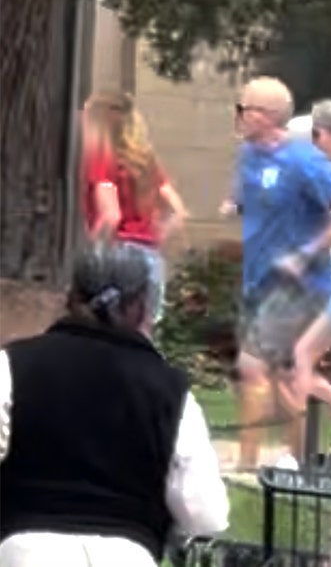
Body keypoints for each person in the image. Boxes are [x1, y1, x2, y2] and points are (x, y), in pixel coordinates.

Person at [0, 242, 229, 567]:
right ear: (139, 308)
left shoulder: (12, 365)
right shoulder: (170, 392)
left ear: (70, 297)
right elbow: (206, 514)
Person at [230, 77, 331, 472]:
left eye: (243, 109)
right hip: (260, 281)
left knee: (252, 367)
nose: (238, 116)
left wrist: (307, 252)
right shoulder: (248, 155)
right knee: (285, 376)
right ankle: (302, 462)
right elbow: (256, 201)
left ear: (267, 116)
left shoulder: (305, 161)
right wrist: (234, 204)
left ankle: (248, 468)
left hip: (301, 286)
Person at [79, 91, 190, 321]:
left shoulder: (100, 158)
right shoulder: (146, 162)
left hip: (119, 256)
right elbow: (178, 211)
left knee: (106, 335)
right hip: (150, 258)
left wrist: (94, 252)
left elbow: (111, 215)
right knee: (143, 338)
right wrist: (155, 237)